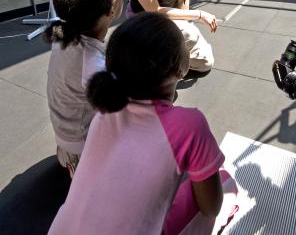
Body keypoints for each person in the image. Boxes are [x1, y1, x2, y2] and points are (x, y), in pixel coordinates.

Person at [48, 12, 238, 235]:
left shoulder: (104, 111)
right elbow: (211, 206)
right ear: (180, 68)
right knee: (226, 183)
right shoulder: (190, 125)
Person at [45, 0, 124, 177]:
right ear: (111, 11)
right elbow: (121, 111)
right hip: (81, 147)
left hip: (68, 132)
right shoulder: (92, 65)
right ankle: (76, 167)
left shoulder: (64, 34)